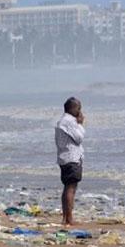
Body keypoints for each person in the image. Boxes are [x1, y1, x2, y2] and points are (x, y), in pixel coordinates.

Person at [55, 97, 85, 226]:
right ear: (72, 108)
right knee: (71, 188)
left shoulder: (62, 121)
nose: (80, 111)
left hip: (64, 156)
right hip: (71, 157)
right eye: (78, 108)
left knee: (67, 187)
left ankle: (65, 217)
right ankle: (69, 218)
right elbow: (79, 138)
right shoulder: (69, 121)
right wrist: (80, 123)